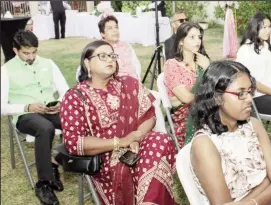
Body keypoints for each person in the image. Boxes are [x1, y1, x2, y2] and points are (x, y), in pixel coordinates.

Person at [60, 40, 177, 204]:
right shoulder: (75, 97)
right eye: (102, 56)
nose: (110, 59)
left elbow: (149, 115)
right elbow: (75, 142)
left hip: (138, 145)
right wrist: (121, 142)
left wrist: (136, 136)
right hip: (107, 160)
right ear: (87, 63)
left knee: (161, 140)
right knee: (152, 160)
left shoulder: (129, 83)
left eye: (112, 56)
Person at [190, 60, 271, 205]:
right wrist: (268, 180)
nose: (249, 99)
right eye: (240, 93)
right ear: (217, 97)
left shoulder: (253, 125)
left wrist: (252, 202)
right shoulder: (205, 144)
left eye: (249, 92)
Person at [1, 30, 69, 205]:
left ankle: (56, 161)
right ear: (15, 50)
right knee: (44, 128)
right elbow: (2, 106)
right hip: (25, 114)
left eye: (34, 52)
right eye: (26, 53)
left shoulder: (48, 63)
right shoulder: (5, 71)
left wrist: (60, 103)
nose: (31, 57)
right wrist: (27, 106)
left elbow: (66, 91)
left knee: (72, 121)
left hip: (49, 110)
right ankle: (44, 183)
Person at [164, 22, 210, 147]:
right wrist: (207, 71)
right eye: (192, 37)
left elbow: (217, 88)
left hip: (206, 111)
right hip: (186, 119)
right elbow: (187, 98)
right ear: (181, 41)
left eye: (199, 37)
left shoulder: (203, 62)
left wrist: (207, 68)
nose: (197, 41)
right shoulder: (172, 65)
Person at [237, 12, 271, 116]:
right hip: (258, 96)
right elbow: (249, 81)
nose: (268, 30)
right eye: (264, 27)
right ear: (254, 28)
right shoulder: (245, 50)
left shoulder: (269, 45)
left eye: (269, 27)